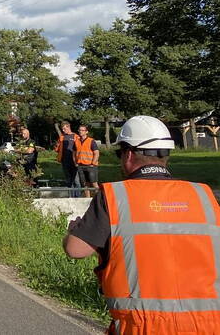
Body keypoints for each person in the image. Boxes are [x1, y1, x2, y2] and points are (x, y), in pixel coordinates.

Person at [63, 115, 220, 334]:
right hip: (210, 326)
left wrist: (74, 230)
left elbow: (75, 249)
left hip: (141, 326)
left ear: (128, 154)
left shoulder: (114, 196)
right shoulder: (204, 196)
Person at [74, 124, 100, 197]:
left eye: (82, 130)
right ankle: (87, 199)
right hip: (80, 166)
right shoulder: (76, 141)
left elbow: (96, 153)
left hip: (90, 166)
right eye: (79, 130)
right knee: (85, 184)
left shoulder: (91, 141)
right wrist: (75, 162)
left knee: (94, 183)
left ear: (86, 132)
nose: (80, 132)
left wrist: (93, 163)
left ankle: (99, 198)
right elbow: (74, 153)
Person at [55, 121, 78, 194]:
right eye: (62, 129)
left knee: (76, 181)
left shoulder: (76, 136)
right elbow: (57, 148)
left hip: (74, 161)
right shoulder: (62, 137)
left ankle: (78, 196)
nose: (63, 130)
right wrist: (56, 147)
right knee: (68, 180)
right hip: (64, 161)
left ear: (68, 127)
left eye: (64, 128)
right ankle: (70, 196)